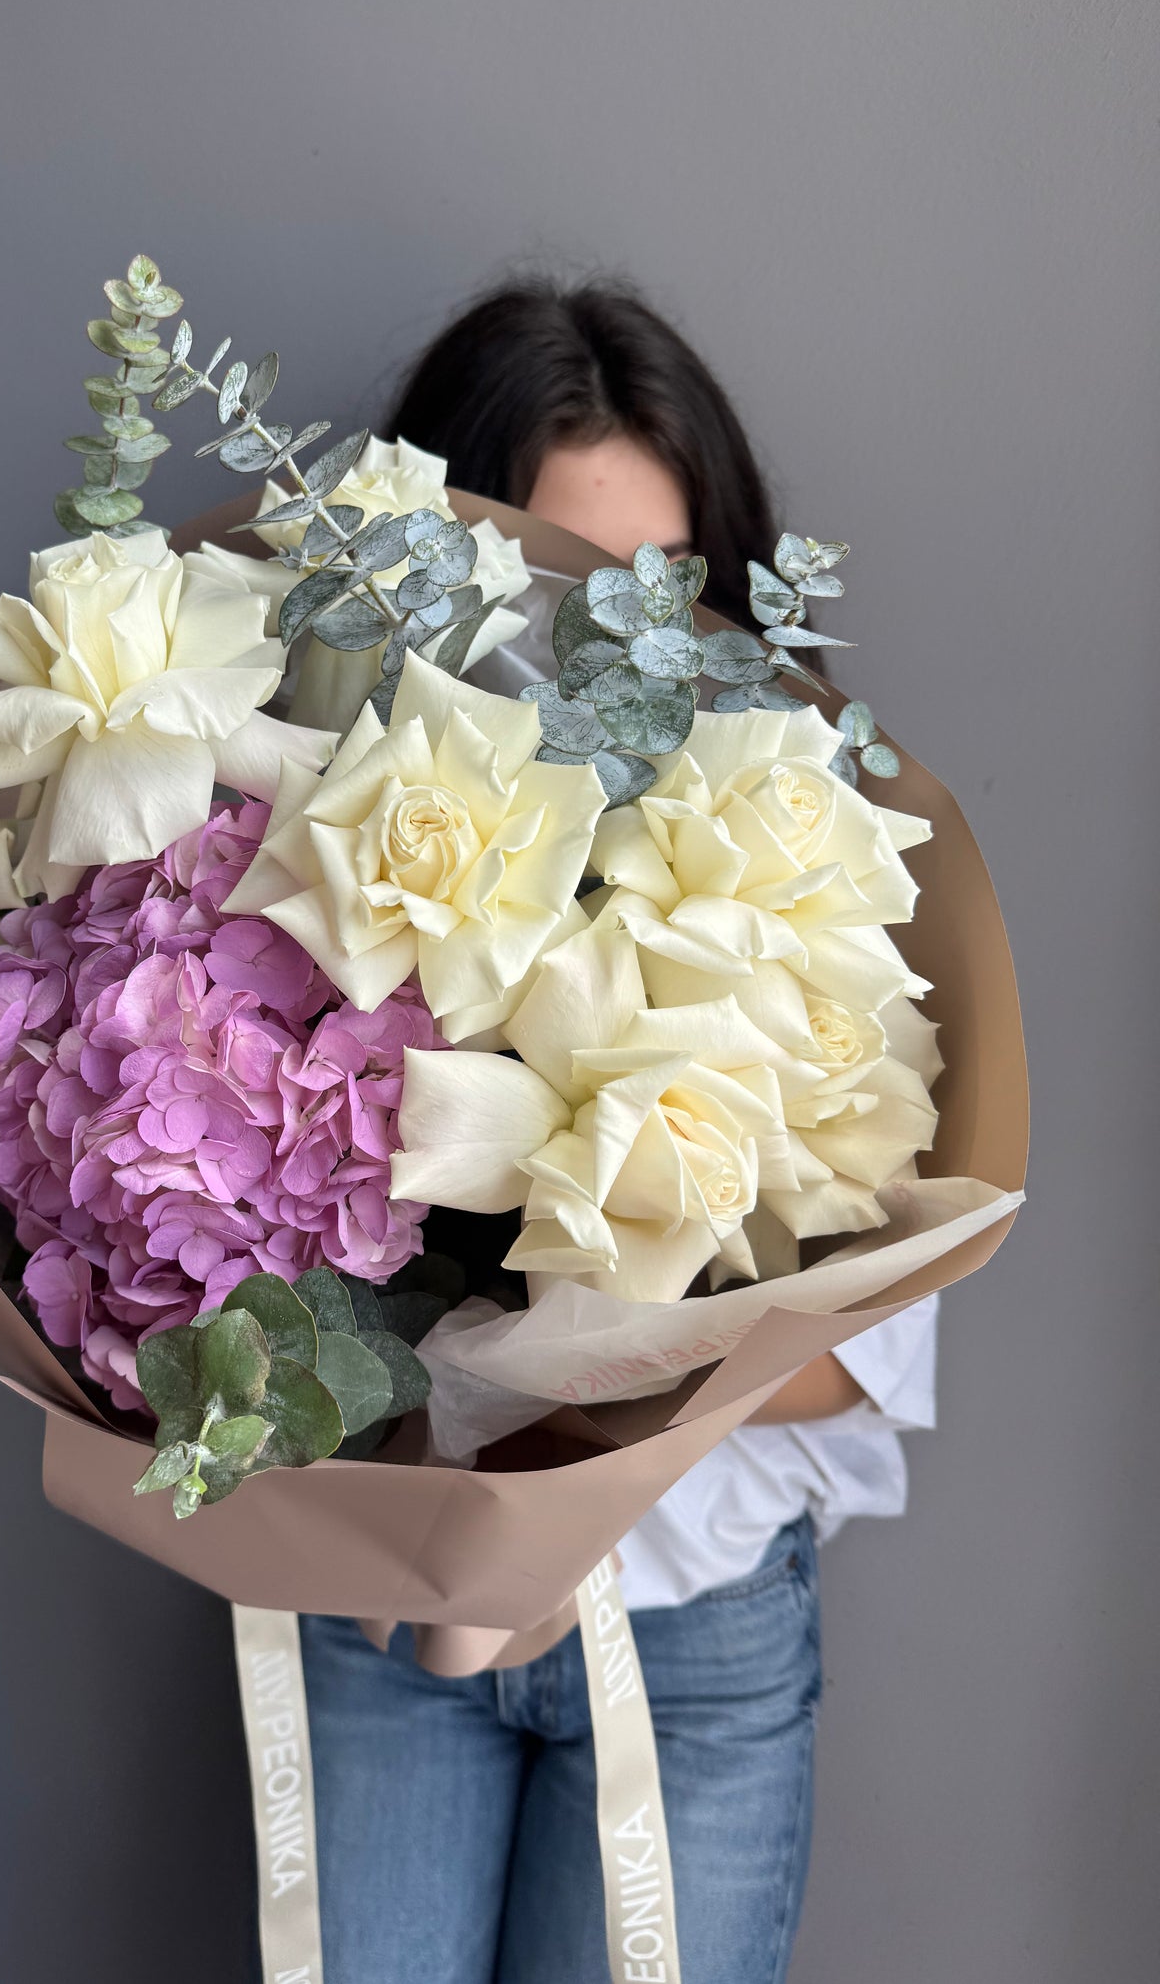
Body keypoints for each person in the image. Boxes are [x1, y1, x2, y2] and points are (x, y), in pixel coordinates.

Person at [298, 275, 938, 1984]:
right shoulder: (310, 846)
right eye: (552, 593)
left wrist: (562, 1328)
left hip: (689, 1642)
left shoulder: (813, 877)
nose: (612, 663)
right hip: (372, 1615)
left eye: (660, 606)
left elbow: (861, 1349)